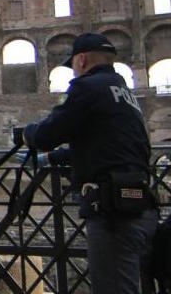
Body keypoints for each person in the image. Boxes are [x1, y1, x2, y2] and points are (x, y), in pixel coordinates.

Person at [23, 33, 157, 294]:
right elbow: (109, 147)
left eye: (72, 65)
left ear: (81, 60)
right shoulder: (126, 96)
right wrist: (51, 159)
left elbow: (46, 135)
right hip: (141, 205)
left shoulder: (86, 88)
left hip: (113, 212)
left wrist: (29, 133)